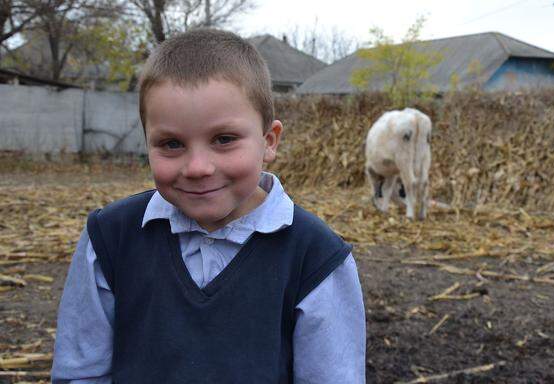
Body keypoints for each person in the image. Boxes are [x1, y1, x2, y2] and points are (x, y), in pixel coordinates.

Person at [52, 28, 365, 383]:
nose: (198, 168)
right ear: (147, 143)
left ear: (269, 141)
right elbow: (81, 374)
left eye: (224, 139)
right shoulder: (109, 239)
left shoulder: (317, 257)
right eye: (171, 144)